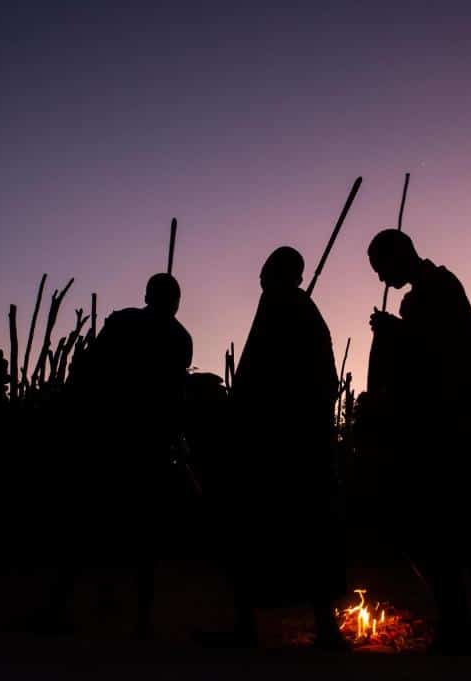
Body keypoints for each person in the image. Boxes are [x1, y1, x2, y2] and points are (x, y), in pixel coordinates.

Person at [200, 246, 346, 649]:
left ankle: (274, 626)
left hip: (281, 444)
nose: (261, 274)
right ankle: (313, 626)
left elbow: (298, 380)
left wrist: (260, 417)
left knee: (274, 527)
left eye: (267, 268)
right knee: (292, 530)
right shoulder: (290, 307)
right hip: (286, 441)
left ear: (283, 273)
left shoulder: (291, 308)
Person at [40, 272, 193, 636]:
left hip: (124, 440)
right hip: (125, 440)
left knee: (97, 524)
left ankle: (70, 606)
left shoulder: (139, 327)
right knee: (126, 530)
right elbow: (93, 373)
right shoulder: (170, 336)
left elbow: (88, 372)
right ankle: (135, 617)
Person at [366, 229, 471, 654]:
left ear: (399, 256)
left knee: (436, 529)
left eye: (382, 268)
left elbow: (441, 354)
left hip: (444, 428)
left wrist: (393, 332)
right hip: (430, 426)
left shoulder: (438, 289)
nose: (382, 279)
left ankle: (459, 627)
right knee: (427, 530)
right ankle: (455, 623)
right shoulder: (421, 295)